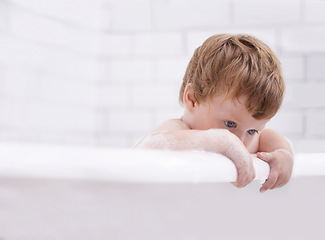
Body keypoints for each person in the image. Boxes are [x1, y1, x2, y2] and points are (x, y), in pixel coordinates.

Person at [134, 33, 294, 193]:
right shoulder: (179, 128)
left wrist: (284, 155)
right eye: (230, 124)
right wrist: (222, 141)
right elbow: (146, 148)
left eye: (252, 131)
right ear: (193, 99)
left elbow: (268, 136)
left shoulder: (247, 138)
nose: (241, 141)